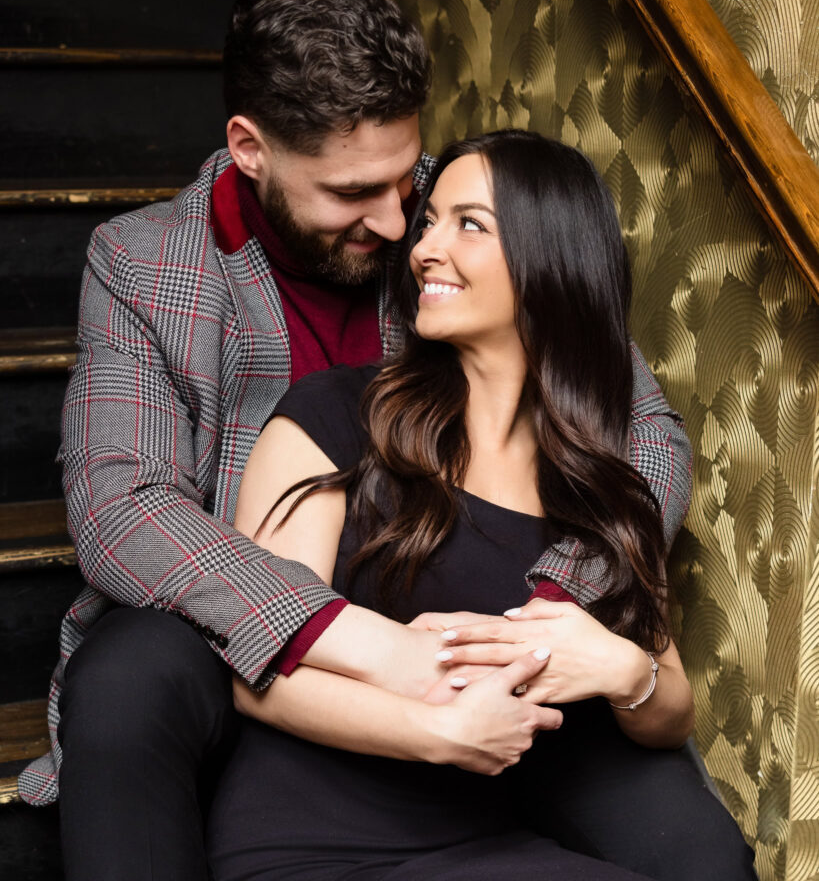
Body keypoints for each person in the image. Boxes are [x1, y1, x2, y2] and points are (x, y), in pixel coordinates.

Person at [17, 0, 691, 880]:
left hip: (475, 621)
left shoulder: (446, 225)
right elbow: (120, 507)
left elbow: (642, 431)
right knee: (126, 674)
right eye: (348, 194)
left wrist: (548, 612)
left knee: (696, 852)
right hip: (247, 633)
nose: (395, 222)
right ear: (250, 148)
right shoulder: (144, 265)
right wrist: (363, 645)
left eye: (402, 179)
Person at [206, 131, 755, 881]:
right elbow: (259, 673)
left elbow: (668, 712)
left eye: (468, 224)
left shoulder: (601, 478)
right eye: (429, 222)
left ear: (549, 258)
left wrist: (625, 673)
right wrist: (436, 729)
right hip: (316, 837)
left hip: (493, 837)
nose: (425, 247)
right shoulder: (329, 416)